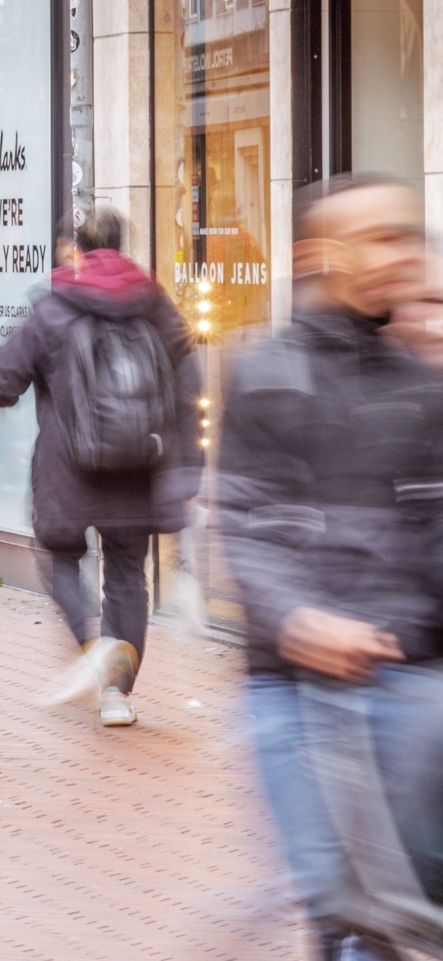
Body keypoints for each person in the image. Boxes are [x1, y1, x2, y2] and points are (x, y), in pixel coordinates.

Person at [216, 175, 443, 961]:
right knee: (343, 911)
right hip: (297, 687)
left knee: (403, 911)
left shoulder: (423, 386)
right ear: (320, 254)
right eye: (381, 237)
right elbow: (247, 523)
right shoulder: (265, 371)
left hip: (413, 681)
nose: (403, 254)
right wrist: (299, 619)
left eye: (408, 235)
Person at [0, 205, 198, 727]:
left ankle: (91, 642)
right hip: (139, 469)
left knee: (57, 559)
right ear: (124, 246)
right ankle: (117, 696)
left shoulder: (54, 307)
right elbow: (189, 382)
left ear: (77, 249)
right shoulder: (156, 305)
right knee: (127, 576)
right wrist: (187, 462)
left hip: (68, 471)